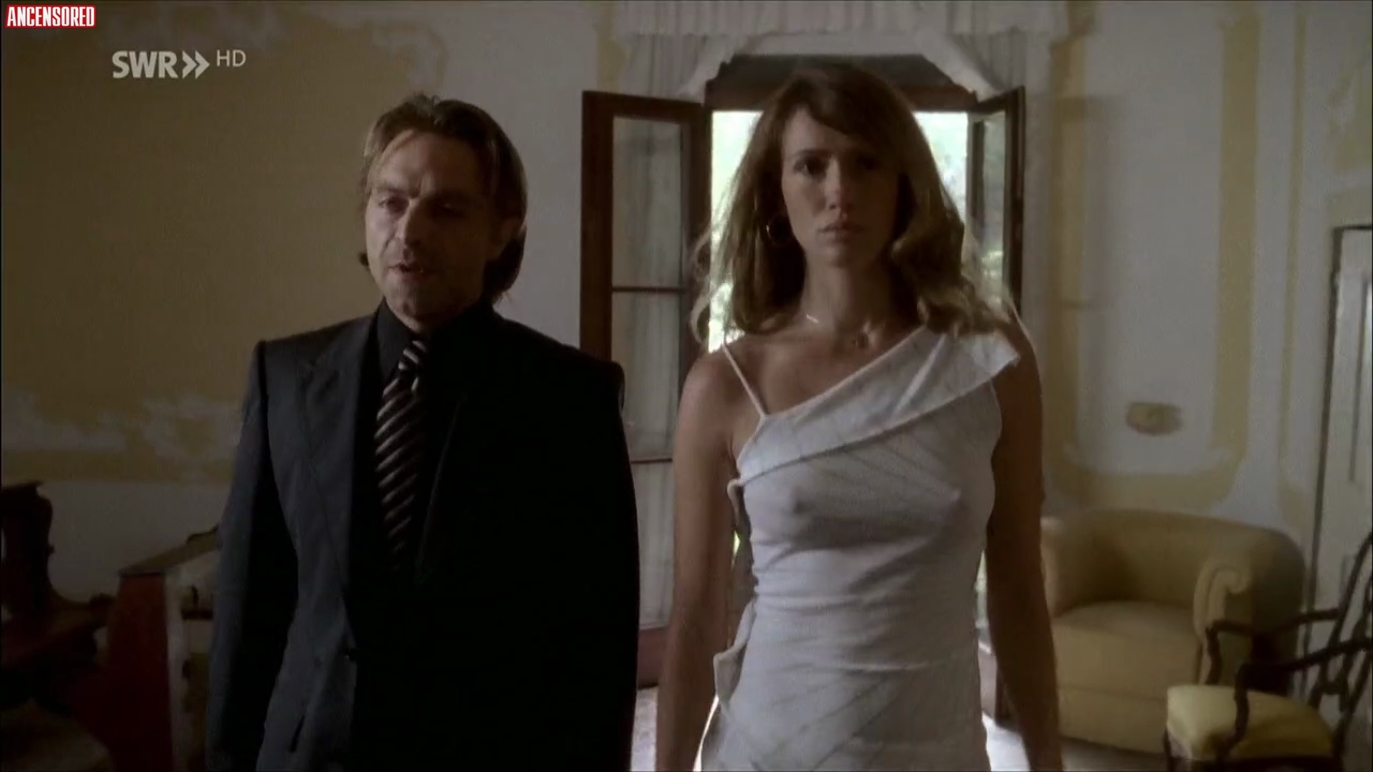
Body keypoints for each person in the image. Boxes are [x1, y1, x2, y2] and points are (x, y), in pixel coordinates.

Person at [205, 94, 640, 772]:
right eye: (392, 202)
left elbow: (596, 643)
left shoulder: (570, 399)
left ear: (501, 232)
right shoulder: (285, 378)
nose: (409, 231)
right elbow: (249, 609)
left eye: (447, 209)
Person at [656, 64, 1063, 771]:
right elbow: (695, 617)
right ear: (776, 191)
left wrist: (1048, 763)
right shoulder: (726, 385)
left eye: (865, 163)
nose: (839, 191)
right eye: (811, 166)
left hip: (937, 749)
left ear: (903, 181)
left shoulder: (989, 361)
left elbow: (1020, 591)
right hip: (770, 749)